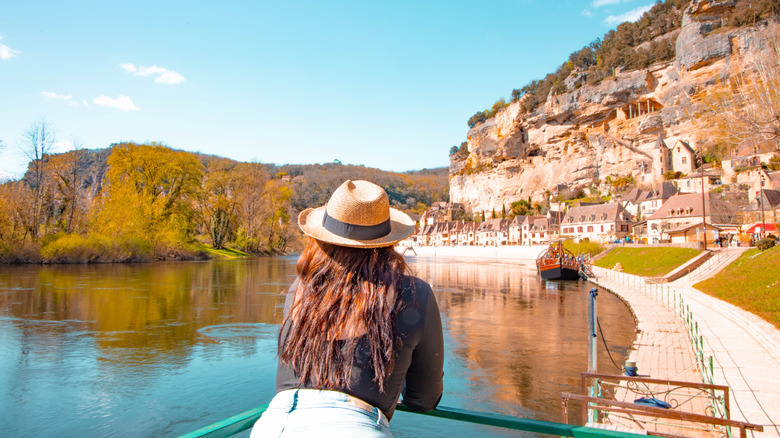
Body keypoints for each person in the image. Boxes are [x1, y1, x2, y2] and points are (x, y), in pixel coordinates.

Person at [251, 180, 444, 437]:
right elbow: (423, 399)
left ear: (321, 238)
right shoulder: (414, 294)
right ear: (388, 242)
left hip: (274, 425)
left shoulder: (299, 288)